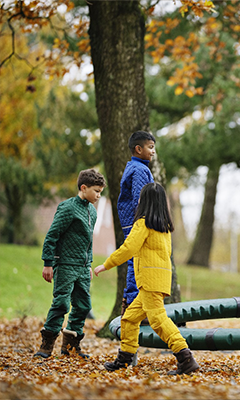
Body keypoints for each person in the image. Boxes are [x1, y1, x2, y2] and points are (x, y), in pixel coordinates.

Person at [94, 182, 200, 375]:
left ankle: (185, 358)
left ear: (146, 201)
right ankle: (124, 359)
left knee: (158, 320)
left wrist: (106, 264)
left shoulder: (143, 223)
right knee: (129, 319)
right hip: (158, 281)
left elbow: (129, 248)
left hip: (150, 281)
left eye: (141, 197)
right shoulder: (164, 228)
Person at [35, 169, 106, 359]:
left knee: (83, 306)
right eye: (96, 191)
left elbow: (88, 241)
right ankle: (46, 345)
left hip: (82, 268)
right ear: (83, 188)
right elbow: (52, 236)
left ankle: (70, 346)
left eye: (101, 192)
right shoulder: (67, 208)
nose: (99, 195)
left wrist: (88, 264)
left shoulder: (92, 210)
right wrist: (48, 263)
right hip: (65, 265)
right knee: (61, 304)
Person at [118, 130, 155, 316]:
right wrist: (145, 222)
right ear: (138, 149)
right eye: (150, 147)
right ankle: (133, 305)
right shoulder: (140, 170)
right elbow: (140, 200)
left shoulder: (135, 167)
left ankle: (130, 301)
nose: (153, 151)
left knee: (136, 261)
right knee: (136, 262)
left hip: (132, 222)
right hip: (136, 222)